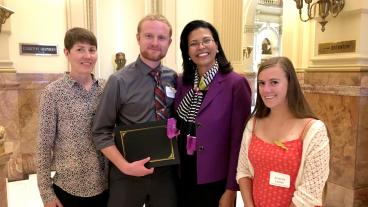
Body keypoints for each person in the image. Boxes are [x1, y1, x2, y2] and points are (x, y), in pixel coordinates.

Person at [92, 14, 177, 207]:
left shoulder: (174, 78)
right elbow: (100, 131)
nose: (155, 43)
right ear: (138, 38)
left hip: (166, 174)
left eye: (162, 38)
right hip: (127, 173)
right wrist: (125, 167)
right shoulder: (119, 81)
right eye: (149, 36)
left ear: (169, 42)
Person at [174, 20, 252, 207]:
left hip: (215, 181)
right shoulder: (182, 83)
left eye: (206, 40)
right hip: (182, 175)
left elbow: (239, 142)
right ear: (187, 51)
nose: (201, 47)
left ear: (217, 45)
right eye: (193, 43)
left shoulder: (236, 84)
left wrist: (231, 189)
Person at [236, 56, 330, 207]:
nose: (266, 90)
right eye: (261, 83)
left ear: (290, 84)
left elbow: (309, 195)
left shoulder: (314, 130)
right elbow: (243, 171)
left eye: (274, 82)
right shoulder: (253, 125)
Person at [37, 27, 108, 207]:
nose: (88, 55)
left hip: (105, 187)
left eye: (92, 50)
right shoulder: (53, 93)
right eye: (80, 49)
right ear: (67, 53)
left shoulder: (106, 89)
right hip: (68, 189)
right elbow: (44, 146)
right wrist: (46, 193)